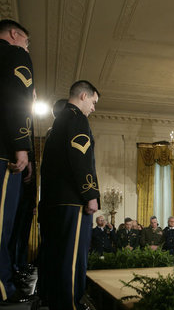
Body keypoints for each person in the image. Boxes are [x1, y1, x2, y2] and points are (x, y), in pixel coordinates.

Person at [39, 80, 100, 309]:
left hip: (54, 201)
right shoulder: (77, 119)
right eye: (93, 102)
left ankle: (55, 300)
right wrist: (90, 194)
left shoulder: (57, 123)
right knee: (73, 258)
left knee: (56, 255)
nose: (93, 108)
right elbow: (81, 160)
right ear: (83, 96)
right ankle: (70, 304)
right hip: (74, 201)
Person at [0, 19, 34, 304]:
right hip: (3, 151)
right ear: (15, 34)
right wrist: (21, 146)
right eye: (26, 41)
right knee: (2, 224)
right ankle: (2, 286)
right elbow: (16, 99)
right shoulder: (15, 54)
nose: (27, 46)